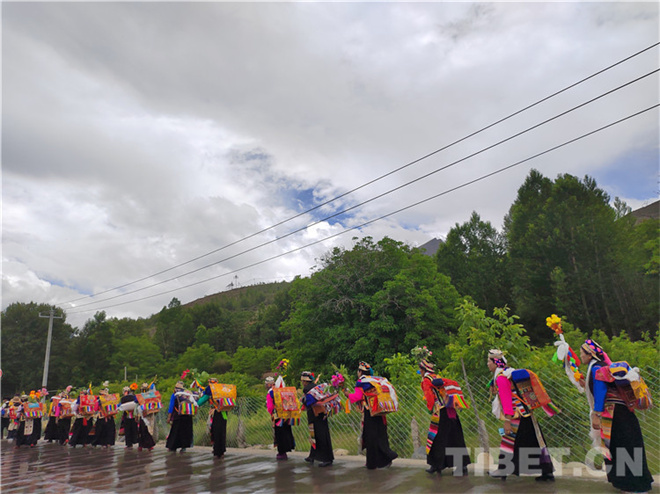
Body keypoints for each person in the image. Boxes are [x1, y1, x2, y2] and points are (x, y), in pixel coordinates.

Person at [578, 339, 653, 493]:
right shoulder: (600, 366)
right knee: (627, 446)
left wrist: (596, 414)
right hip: (623, 413)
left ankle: (634, 486)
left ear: (590, 354)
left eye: (581, 353)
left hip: (615, 415)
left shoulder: (596, 368)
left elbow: (601, 392)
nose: (580, 357)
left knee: (621, 447)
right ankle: (632, 483)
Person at [487, 349, 554, 481]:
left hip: (517, 415)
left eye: (489, 361)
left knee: (508, 440)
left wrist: (507, 420)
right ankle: (547, 472)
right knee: (535, 442)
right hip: (527, 413)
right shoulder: (509, 372)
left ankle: (503, 469)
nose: (488, 364)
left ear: (495, 362)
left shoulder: (501, 377)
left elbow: (506, 400)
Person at [419, 358, 471, 475]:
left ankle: (437, 465)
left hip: (440, 412)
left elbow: (430, 397)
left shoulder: (427, 381)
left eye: (420, 370)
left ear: (423, 370)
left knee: (436, 438)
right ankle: (461, 465)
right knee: (455, 436)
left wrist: (430, 408)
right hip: (450, 410)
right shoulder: (437, 377)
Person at [343, 361, 398, 469]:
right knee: (381, 435)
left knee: (371, 437)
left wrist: (347, 394)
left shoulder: (361, 382)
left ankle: (373, 462)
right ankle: (386, 457)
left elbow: (357, 397)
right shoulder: (375, 380)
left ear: (360, 372)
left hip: (370, 413)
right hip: (379, 412)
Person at [301, 371, 334, 467]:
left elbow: (308, 402)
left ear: (305, 381)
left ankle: (326, 458)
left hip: (314, 415)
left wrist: (302, 400)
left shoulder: (307, 389)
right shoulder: (316, 386)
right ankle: (313, 455)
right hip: (321, 413)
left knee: (319, 435)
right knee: (316, 435)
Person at [197, 377, 229, 459]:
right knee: (222, 431)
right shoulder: (222, 390)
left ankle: (217, 451)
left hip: (216, 413)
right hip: (224, 412)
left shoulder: (210, 390)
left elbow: (202, 401)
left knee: (216, 431)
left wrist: (196, 403)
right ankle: (221, 450)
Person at [265, 376, 296, 460]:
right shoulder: (287, 392)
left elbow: (270, 406)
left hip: (277, 416)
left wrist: (271, 413)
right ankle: (288, 448)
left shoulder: (271, 392)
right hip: (287, 415)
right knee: (287, 431)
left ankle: (282, 452)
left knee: (279, 433)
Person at [166, 381, 196, 453]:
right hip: (188, 416)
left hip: (178, 416)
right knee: (185, 432)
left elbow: (171, 406)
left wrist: (169, 417)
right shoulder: (188, 395)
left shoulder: (174, 395)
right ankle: (184, 447)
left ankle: (173, 447)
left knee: (175, 432)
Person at [136, 382, 157, 452]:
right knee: (143, 431)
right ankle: (143, 446)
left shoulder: (149, 396)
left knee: (146, 431)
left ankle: (147, 445)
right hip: (143, 415)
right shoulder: (140, 396)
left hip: (147, 415)